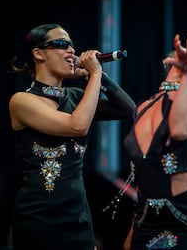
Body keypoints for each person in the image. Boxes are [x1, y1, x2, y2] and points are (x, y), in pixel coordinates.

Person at [8, 23, 136, 249]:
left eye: (71, 45)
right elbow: (77, 126)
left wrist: (98, 76)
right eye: (61, 44)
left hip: (78, 217)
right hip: (38, 218)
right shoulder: (22, 101)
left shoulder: (75, 97)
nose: (71, 51)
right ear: (38, 53)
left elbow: (127, 109)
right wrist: (95, 74)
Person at [118, 34, 187, 249]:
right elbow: (142, 171)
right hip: (146, 222)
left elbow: (179, 129)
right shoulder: (144, 106)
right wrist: (133, 231)